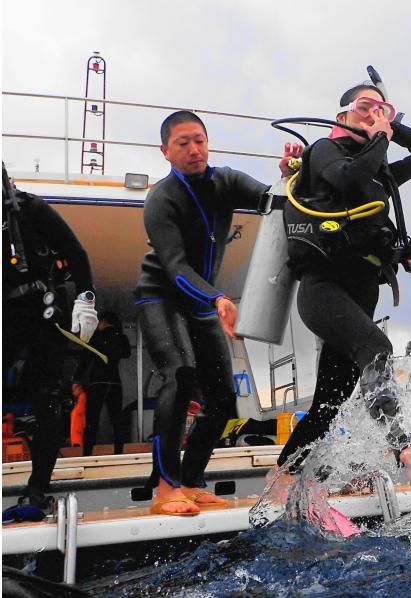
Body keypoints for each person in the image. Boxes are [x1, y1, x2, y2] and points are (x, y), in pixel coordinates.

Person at [275, 80, 411, 478]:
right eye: (365, 106)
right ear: (342, 116)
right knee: (376, 347)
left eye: (382, 109)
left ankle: (283, 477)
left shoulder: (379, 171)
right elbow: (347, 178)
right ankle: (403, 447)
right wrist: (380, 138)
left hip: (363, 289)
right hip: (323, 288)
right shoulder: (323, 151)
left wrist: (389, 128)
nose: (373, 114)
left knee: (330, 401)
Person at [135, 111, 296, 516]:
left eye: (199, 140)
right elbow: (174, 267)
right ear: (165, 152)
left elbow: (274, 203)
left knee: (223, 399)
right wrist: (218, 300)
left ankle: (191, 481)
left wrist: (287, 174)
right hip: (161, 295)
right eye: (183, 143)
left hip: (203, 301)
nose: (194, 149)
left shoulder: (225, 181)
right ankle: (165, 488)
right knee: (179, 375)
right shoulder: (161, 199)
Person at [2, 162, 98, 522]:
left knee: (47, 395)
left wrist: (86, 299)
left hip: (42, 309)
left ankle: (38, 487)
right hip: (4, 315)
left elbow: (76, 253)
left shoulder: (29, 208)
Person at [74, 310, 131, 456]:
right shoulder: (121, 337)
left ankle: (87, 454)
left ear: (104, 321)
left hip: (98, 382)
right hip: (114, 382)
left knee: (92, 420)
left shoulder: (97, 337)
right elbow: (127, 353)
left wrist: (77, 378)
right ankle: (118, 453)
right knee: (116, 420)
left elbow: (85, 359)